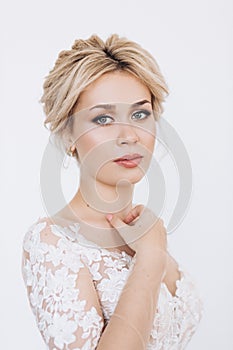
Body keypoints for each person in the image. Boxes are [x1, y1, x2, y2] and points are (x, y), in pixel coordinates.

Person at [21, 34, 203, 350]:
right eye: (103, 118)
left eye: (140, 114)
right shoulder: (52, 242)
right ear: (68, 134)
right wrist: (149, 259)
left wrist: (152, 248)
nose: (129, 135)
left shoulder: (145, 232)